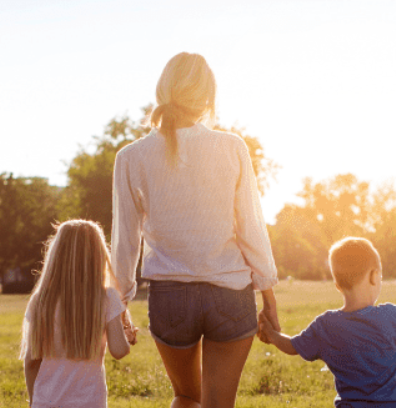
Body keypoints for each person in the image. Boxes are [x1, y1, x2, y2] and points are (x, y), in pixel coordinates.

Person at [111, 52, 281, 408]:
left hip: (171, 298)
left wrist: (120, 303)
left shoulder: (131, 156)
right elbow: (251, 225)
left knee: (187, 397)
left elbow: (125, 240)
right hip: (230, 295)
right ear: (207, 95)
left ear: (163, 90)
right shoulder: (232, 146)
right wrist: (268, 295)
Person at [258, 237, 396, 408]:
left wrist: (271, 334)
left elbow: (293, 346)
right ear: (373, 276)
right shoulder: (387, 316)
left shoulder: (326, 325)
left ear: (337, 285)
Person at [20, 219, 139, 408]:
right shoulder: (107, 297)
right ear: (98, 255)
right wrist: (125, 335)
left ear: (57, 255)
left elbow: (31, 361)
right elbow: (119, 350)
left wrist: (34, 401)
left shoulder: (41, 300)